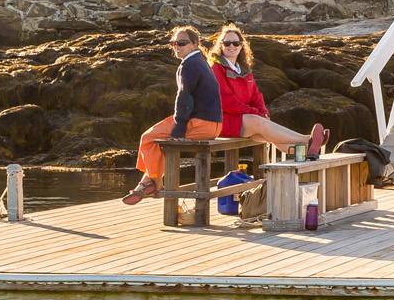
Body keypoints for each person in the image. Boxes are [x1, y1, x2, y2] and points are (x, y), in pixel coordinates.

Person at [123, 25, 226, 205]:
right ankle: (148, 182)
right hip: (215, 125)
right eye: (173, 43)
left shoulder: (189, 64)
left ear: (194, 44)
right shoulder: (201, 62)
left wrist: (179, 128)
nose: (176, 46)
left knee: (148, 138)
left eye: (181, 43)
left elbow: (184, 97)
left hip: (200, 124)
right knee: (157, 140)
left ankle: (154, 183)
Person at [208, 24, 326, 155]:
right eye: (227, 43)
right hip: (221, 121)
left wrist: (263, 112)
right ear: (221, 45)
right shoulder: (216, 69)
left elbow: (255, 96)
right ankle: (307, 140)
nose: (231, 46)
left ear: (241, 46)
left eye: (236, 43)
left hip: (242, 118)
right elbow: (226, 102)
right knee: (258, 123)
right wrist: (256, 114)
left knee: (265, 134)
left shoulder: (244, 69)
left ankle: (303, 151)